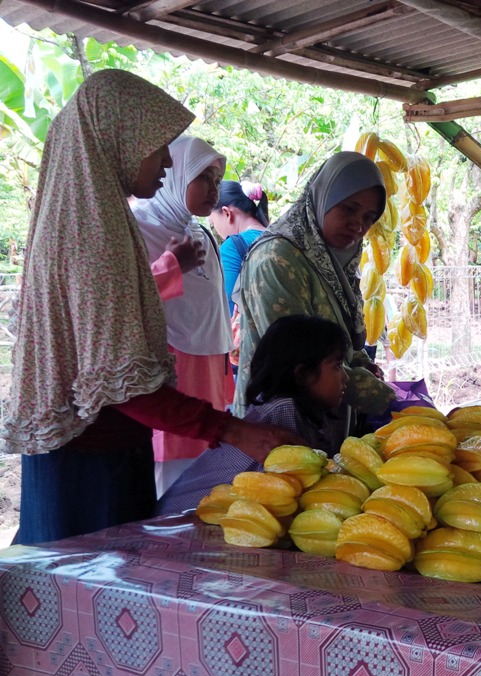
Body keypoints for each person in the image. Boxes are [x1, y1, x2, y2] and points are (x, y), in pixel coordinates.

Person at [0, 69, 299, 546]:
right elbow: (121, 384)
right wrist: (232, 431)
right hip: (91, 463)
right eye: (157, 145)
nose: (165, 162)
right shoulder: (93, 235)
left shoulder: (84, 218)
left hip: (92, 451)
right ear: (116, 138)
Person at [234, 151, 395, 427]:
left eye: (369, 217)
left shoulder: (335, 259)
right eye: (348, 208)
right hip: (277, 431)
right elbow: (298, 359)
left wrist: (360, 362)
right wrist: (389, 399)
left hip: (321, 428)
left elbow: (332, 336)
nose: (358, 225)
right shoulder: (277, 258)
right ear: (323, 198)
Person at [156, 314, 350, 516]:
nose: (345, 378)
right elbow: (289, 494)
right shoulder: (283, 410)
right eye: (337, 366)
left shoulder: (284, 407)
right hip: (180, 519)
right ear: (302, 375)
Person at [132, 136, 236, 495]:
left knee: (203, 487)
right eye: (203, 177)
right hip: (169, 381)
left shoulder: (201, 234)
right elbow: (124, 299)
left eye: (217, 179)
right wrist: (172, 266)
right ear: (174, 175)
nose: (214, 189)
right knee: (167, 487)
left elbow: (214, 318)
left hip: (207, 375)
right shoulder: (137, 229)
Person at [209, 179, 270, 314]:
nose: (215, 228)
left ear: (226, 213)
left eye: (213, 223)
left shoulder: (232, 247)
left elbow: (228, 309)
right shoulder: (277, 236)